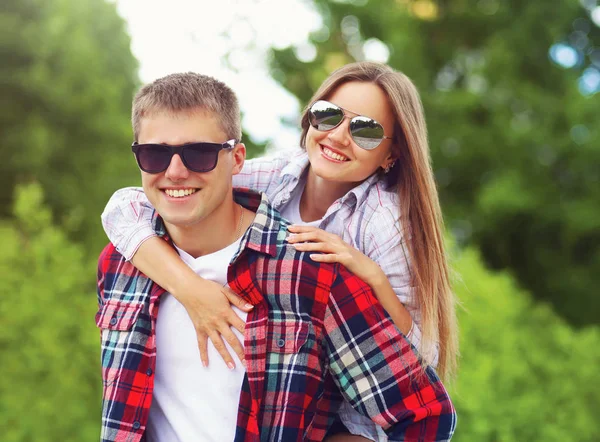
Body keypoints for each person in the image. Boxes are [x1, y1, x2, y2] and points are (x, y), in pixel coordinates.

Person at [96, 72, 456, 441]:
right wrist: (191, 289)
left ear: (391, 153)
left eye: (200, 154)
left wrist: (372, 277)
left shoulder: (373, 232)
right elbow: (125, 207)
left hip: (354, 415)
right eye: (329, 116)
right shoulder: (274, 175)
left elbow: (419, 374)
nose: (337, 136)